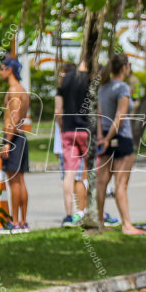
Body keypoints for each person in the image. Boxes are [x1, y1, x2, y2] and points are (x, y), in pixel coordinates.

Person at [97, 53, 146, 236]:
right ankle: (127, 225)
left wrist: (102, 137)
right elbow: (120, 116)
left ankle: (100, 222)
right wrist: (109, 137)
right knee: (121, 184)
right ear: (125, 67)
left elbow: (100, 115)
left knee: (102, 182)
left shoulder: (103, 88)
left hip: (105, 140)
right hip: (121, 139)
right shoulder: (122, 87)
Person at [55, 57, 92, 227]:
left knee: (69, 174)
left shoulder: (64, 81)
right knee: (92, 170)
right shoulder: (89, 80)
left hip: (68, 131)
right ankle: (91, 211)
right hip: (85, 130)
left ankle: (68, 215)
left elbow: (57, 112)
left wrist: (63, 127)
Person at [0, 57, 31, 231]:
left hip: (13, 137)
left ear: (9, 70)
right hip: (21, 136)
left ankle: (15, 221)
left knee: (14, 181)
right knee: (20, 180)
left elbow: (15, 117)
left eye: (1, 68)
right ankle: (23, 221)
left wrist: (6, 143)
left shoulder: (14, 91)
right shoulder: (23, 90)